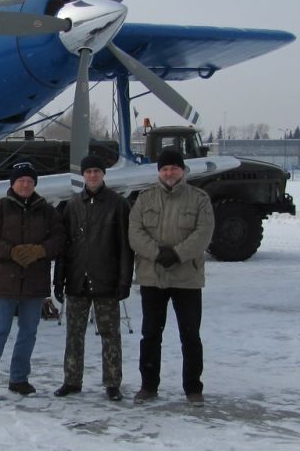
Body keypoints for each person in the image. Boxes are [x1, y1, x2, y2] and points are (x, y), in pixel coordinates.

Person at [128, 147, 215, 406]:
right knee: (151, 334)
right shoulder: (144, 199)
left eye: (174, 168)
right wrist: (157, 254)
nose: (169, 172)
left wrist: (177, 254)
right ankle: (148, 386)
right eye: (164, 168)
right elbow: (135, 231)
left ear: (182, 170)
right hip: (152, 277)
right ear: (159, 172)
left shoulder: (199, 199)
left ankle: (193, 388)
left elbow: (204, 233)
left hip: (186, 277)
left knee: (190, 335)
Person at [0, 161, 64, 399]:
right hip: (4, 283)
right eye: (21, 180)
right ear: (12, 183)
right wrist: (10, 251)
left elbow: (60, 238)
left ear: (35, 184)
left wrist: (40, 251)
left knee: (28, 333)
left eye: (29, 181)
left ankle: (19, 378)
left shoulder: (46, 211)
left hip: (34, 284)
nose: (25, 184)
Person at [53, 154, 133, 401]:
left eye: (97, 171)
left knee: (110, 334)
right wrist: (59, 279)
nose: (93, 176)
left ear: (103, 174)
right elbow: (64, 246)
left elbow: (125, 247)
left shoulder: (118, 204)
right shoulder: (73, 205)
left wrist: (124, 280)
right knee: (74, 334)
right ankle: (72, 380)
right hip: (77, 280)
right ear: (83, 175)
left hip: (106, 280)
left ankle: (112, 382)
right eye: (88, 172)